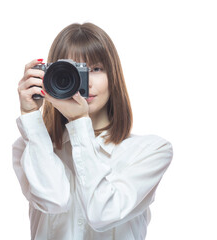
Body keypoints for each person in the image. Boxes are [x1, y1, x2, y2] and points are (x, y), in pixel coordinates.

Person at [12, 22, 173, 240]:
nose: (82, 80)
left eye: (95, 69)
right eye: (71, 70)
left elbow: (102, 213)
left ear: (112, 76)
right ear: (49, 77)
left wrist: (80, 121)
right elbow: (54, 200)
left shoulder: (150, 151)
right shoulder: (30, 146)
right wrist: (30, 116)